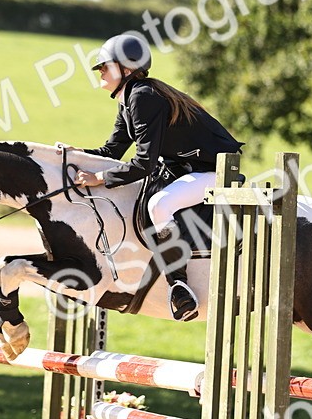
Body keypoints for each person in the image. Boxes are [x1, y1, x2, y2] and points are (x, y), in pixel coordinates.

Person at [57, 33, 243, 322]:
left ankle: (179, 287)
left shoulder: (144, 96)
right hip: (185, 168)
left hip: (214, 171)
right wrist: (77, 154)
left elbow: (142, 163)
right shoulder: (128, 98)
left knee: (159, 205)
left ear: (126, 69)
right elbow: (113, 151)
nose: (101, 72)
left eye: (105, 66)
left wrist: (100, 177)